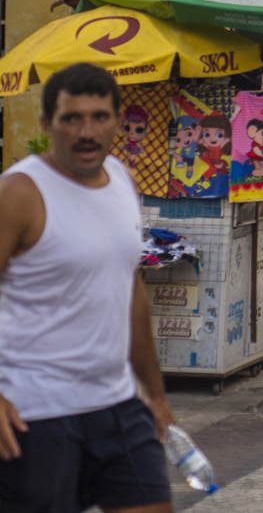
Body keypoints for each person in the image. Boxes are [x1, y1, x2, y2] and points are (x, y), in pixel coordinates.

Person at [0, 64, 177, 513]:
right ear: (46, 124)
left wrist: (154, 394)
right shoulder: (21, 193)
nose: (86, 131)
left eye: (99, 117)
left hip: (115, 403)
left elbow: (128, 289)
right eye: (71, 119)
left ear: (119, 120)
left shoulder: (119, 179)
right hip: (35, 413)